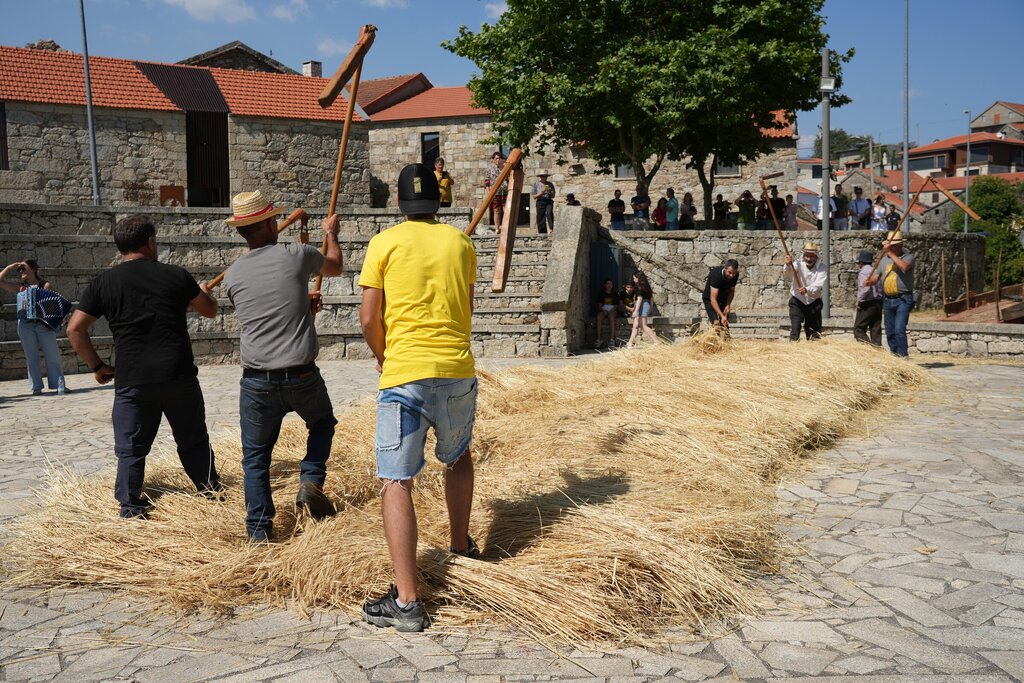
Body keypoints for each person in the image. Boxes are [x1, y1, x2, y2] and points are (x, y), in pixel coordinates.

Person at [358, 163, 479, 633]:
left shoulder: (383, 243)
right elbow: (465, 308)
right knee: (458, 456)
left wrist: (384, 355)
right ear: (438, 200)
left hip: (404, 373)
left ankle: (407, 602)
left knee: (396, 480)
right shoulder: (460, 242)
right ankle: (461, 546)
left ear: (399, 205)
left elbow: (370, 318)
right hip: (455, 367)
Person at [66, 215, 222, 519]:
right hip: (178, 375)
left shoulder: (103, 283)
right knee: (193, 440)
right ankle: (209, 492)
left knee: (131, 448)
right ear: (150, 242)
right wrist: (204, 292)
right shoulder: (177, 275)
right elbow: (210, 311)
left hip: (133, 380)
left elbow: (75, 329)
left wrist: (97, 366)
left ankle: (131, 505)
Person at [223, 190, 343, 542]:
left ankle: (259, 533)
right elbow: (334, 266)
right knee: (322, 424)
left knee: (256, 458)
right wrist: (331, 232)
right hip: (301, 373)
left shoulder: (232, 276)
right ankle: (310, 479)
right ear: (271, 222)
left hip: (257, 380)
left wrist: (302, 307)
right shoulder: (297, 254)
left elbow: (265, 314)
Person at [1, 259, 68, 395]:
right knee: (31, 356)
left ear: (33, 269)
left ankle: (58, 384)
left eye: (23, 268)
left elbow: (50, 305)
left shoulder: (45, 285)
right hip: (25, 325)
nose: (21, 271)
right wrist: (9, 267)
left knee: (52, 354)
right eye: (19, 270)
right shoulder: (20, 287)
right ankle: (36, 387)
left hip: (43, 324)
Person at [868, 229, 915, 357]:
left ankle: (903, 356)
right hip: (888, 299)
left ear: (899, 246)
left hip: (903, 299)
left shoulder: (908, 257)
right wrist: (870, 281)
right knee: (890, 331)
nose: (889, 248)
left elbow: (904, 267)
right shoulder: (884, 260)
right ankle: (895, 355)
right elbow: (877, 277)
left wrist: (889, 252)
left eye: (892, 246)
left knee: (899, 328)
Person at [783, 242, 828, 341]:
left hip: (814, 303)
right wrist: (787, 264)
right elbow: (787, 274)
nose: (809, 259)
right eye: (807, 256)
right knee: (795, 327)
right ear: (804, 255)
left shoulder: (823, 268)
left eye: (811, 256)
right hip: (797, 301)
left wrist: (806, 289)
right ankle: (793, 349)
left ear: (816, 256)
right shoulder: (797, 264)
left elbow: (818, 285)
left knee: (814, 333)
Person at [853, 249, 883, 346]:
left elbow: (865, 288)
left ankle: (869, 349)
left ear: (861, 262)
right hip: (878, 302)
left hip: (867, 303)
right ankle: (877, 350)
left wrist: (859, 301)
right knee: (875, 328)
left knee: (858, 329)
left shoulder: (863, 272)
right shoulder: (876, 271)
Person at [702, 259, 740, 329]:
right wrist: (722, 316)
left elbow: (731, 291)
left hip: (723, 297)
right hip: (710, 299)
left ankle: (725, 338)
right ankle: (715, 338)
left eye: (734, 273)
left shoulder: (735, 275)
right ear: (725, 269)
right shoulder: (716, 275)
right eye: (730, 272)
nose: (732, 275)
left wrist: (728, 304)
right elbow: (713, 300)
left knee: (724, 323)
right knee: (716, 322)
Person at [625, 271, 659, 348]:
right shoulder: (646, 286)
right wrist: (650, 308)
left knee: (643, 326)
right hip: (645, 305)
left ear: (638, 278)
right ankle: (630, 343)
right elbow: (651, 298)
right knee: (635, 325)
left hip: (642, 306)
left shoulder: (638, 287)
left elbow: (640, 299)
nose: (633, 280)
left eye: (634, 278)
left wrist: (636, 311)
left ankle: (657, 342)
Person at [483, 151, 508, 231]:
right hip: (495, 193)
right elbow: (487, 182)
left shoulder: (504, 168)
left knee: (506, 210)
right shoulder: (489, 169)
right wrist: (489, 193)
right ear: (493, 159)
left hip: (504, 192)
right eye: (496, 158)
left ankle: (505, 227)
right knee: (496, 210)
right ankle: (497, 228)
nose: (498, 160)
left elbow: (509, 178)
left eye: (499, 158)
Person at [594, 279, 619, 349]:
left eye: (610, 284)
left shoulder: (615, 294)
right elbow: (599, 305)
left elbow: (616, 306)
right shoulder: (601, 294)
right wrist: (603, 310)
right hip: (603, 310)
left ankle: (612, 340)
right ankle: (599, 339)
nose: (609, 285)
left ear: (612, 285)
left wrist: (611, 311)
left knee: (611, 317)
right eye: (607, 284)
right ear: (605, 285)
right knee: (599, 317)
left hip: (612, 310)